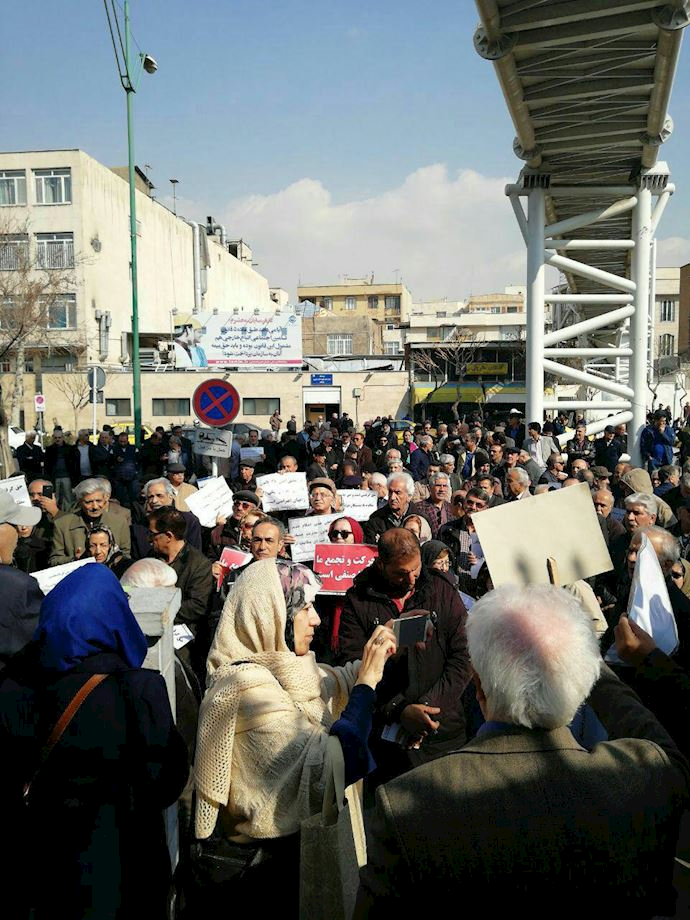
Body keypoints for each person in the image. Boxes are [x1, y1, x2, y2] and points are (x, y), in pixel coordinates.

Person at [357, 584, 690, 918]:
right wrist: (590, 665)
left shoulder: (406, 806)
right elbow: (666, 751)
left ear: (478, 688)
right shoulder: (641, 779)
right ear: (581, 684)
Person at [193, 560, 396, 912]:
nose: (316, 619)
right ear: (270, 615)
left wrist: (381, 647)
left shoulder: (286, 671)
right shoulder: (245, 691)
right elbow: (330, 768)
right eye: (304, 608)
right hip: (267, 878)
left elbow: (332, 682)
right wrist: (366, 685)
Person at [1, 565, 188, 918]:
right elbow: (166, 784)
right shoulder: (138, 688)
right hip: (126, 873)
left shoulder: (14, 690)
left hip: (47, 875)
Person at [338, 528, 471, 781]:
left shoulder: (441, 589)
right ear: (381, 564)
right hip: (387, 743)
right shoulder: (359, 600)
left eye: (416, 569)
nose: (411, 580)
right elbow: (352, 667)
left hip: (443, 730)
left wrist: (429, 708)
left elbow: (464, 655)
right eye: (401, 573)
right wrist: (399, 711)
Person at [49, 477, 131, 566]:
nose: (95, 506)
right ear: (80, 502)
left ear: (105, 499)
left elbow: (125, 555)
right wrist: (75, 560)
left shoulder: (119, 522)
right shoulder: (62, 524)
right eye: (89, 502)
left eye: (98, 501)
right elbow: (54, 560)